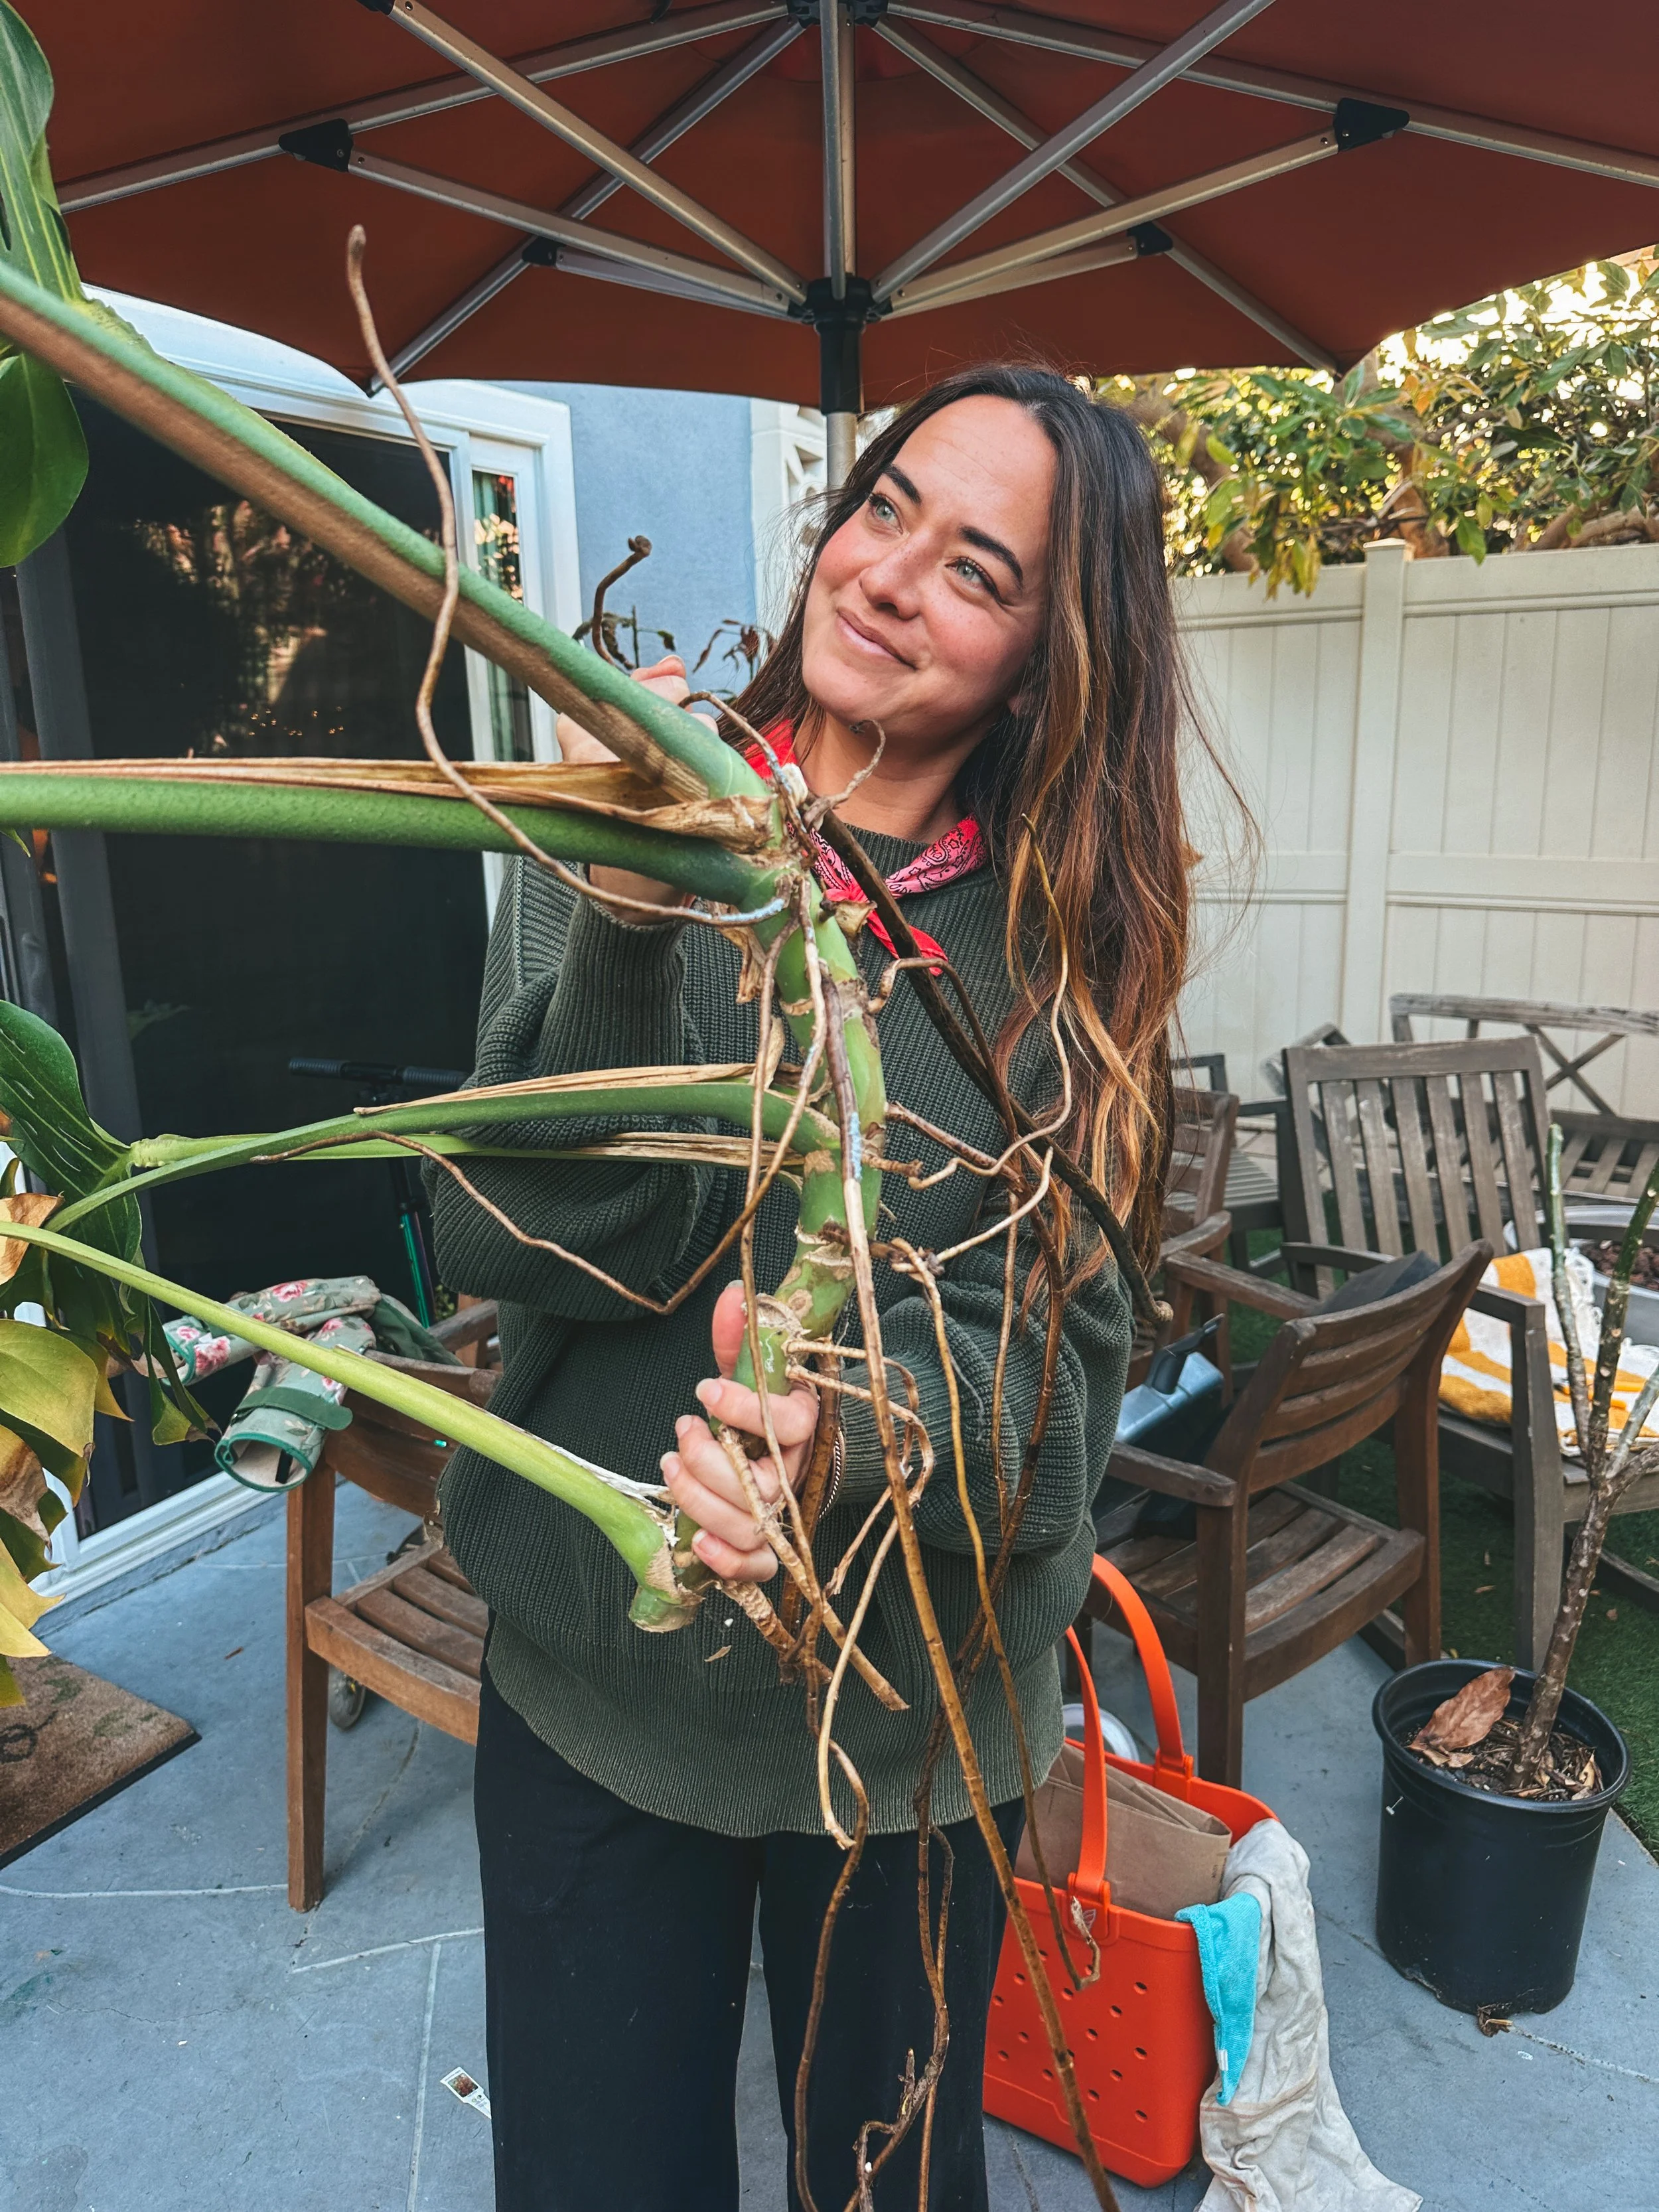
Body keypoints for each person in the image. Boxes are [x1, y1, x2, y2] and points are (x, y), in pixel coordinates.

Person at [429, 364, 1200, 2211]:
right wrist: (627, 926)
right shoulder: (615, 825)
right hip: (605, 1677)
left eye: (978, 570)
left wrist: (853, 1433)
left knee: (891, 2181)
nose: (888, 575)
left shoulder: (1067, 962)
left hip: (907, 1737)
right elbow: (509, 1238)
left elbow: (1068, 1396)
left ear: (1047, 660)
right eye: (883, 509)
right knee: (595, 2172)